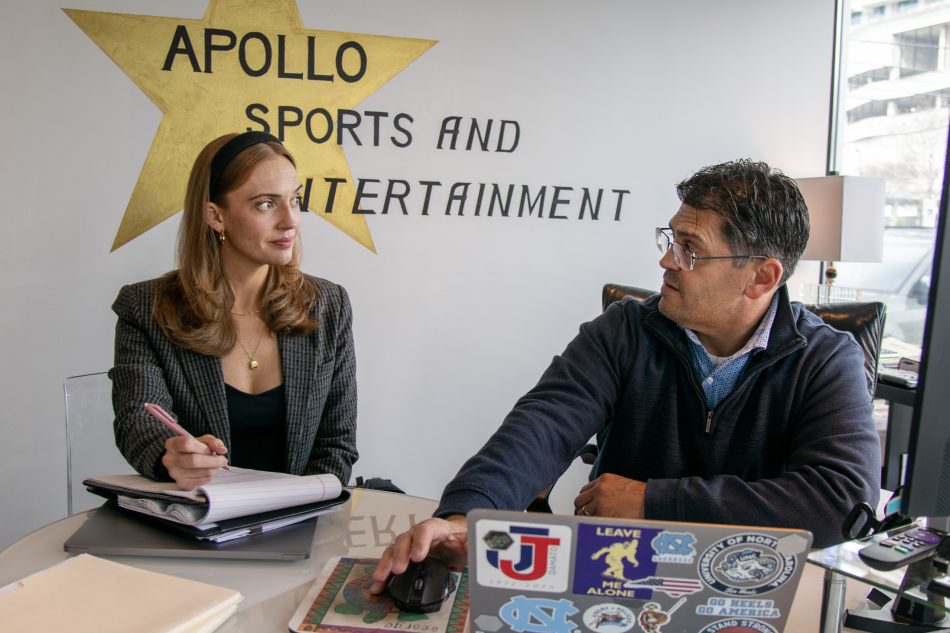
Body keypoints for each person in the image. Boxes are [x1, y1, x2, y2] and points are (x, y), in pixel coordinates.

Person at [371, 159, 880, 591]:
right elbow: (541, 426)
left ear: (762, 276)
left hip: (750, 592)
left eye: (690, 249)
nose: (666, 260)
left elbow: (841, 499)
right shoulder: (624, 330)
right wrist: (466, 517)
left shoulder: (826, 359)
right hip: (619, 582)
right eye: (670, 239)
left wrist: (655, 501)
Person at [110, 131, 358, 489]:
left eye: (295, 199)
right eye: (265, 204)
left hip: (300, 524)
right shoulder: (147, 307)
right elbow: (139, 422)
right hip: (195, 526)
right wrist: (172, 456)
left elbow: (336, 445)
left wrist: (298, 509)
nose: (291, 220)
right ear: (215, 216)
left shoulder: (329, 304)